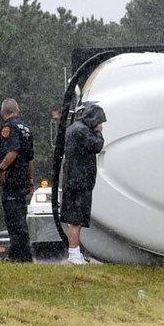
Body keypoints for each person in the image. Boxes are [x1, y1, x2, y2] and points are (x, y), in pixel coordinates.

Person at [61, 102, 106, 265]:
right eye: (99, 122)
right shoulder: (82, 131)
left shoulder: (74, 128)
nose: (101, 125)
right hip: (79, 182)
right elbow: (97, 146)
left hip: (73, 180)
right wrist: (99, 134)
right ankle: (74, 254)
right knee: (76, 219)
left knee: (74, 219)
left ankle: (75, 252)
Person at [0, 99, 36, 262]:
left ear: (3, 112)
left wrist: (1, 168)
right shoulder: (26, 129)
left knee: (13, 219)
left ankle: (18, 256)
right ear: (17, 111)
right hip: (23, 178)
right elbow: (31, 158)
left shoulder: (9, 127)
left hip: (12, 178)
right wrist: (31, 179)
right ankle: (24, 254)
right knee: (20, 217)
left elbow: (13, 151)